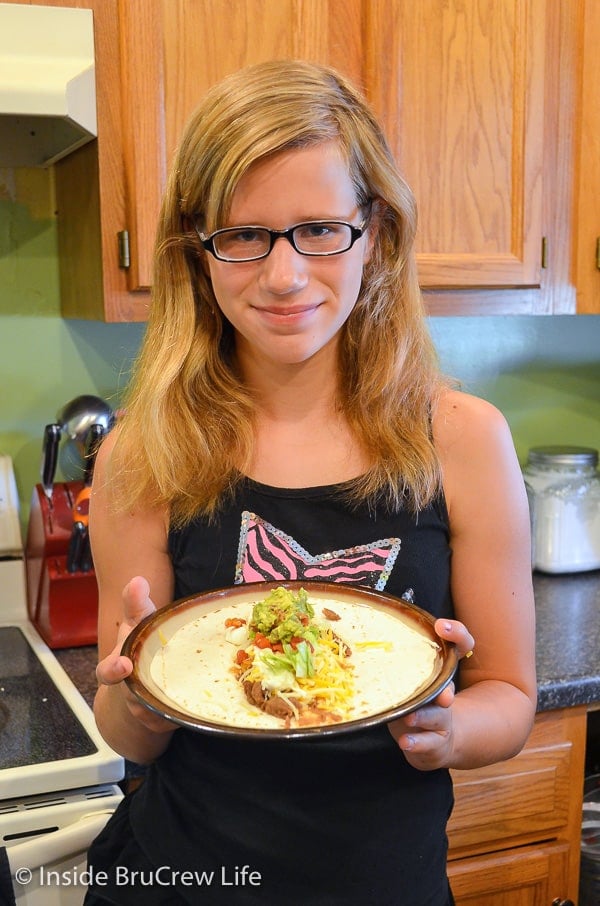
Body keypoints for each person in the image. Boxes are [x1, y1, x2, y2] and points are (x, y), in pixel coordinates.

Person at [85, 59, 537, 906]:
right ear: (198, 250)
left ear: (377, 231)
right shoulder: (143, 455)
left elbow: (509, 697)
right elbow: (127, 738)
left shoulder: (464, 441)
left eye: (320, 229)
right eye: (243, 235)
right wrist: (137, 698)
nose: (284, 275)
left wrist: (449, 730)